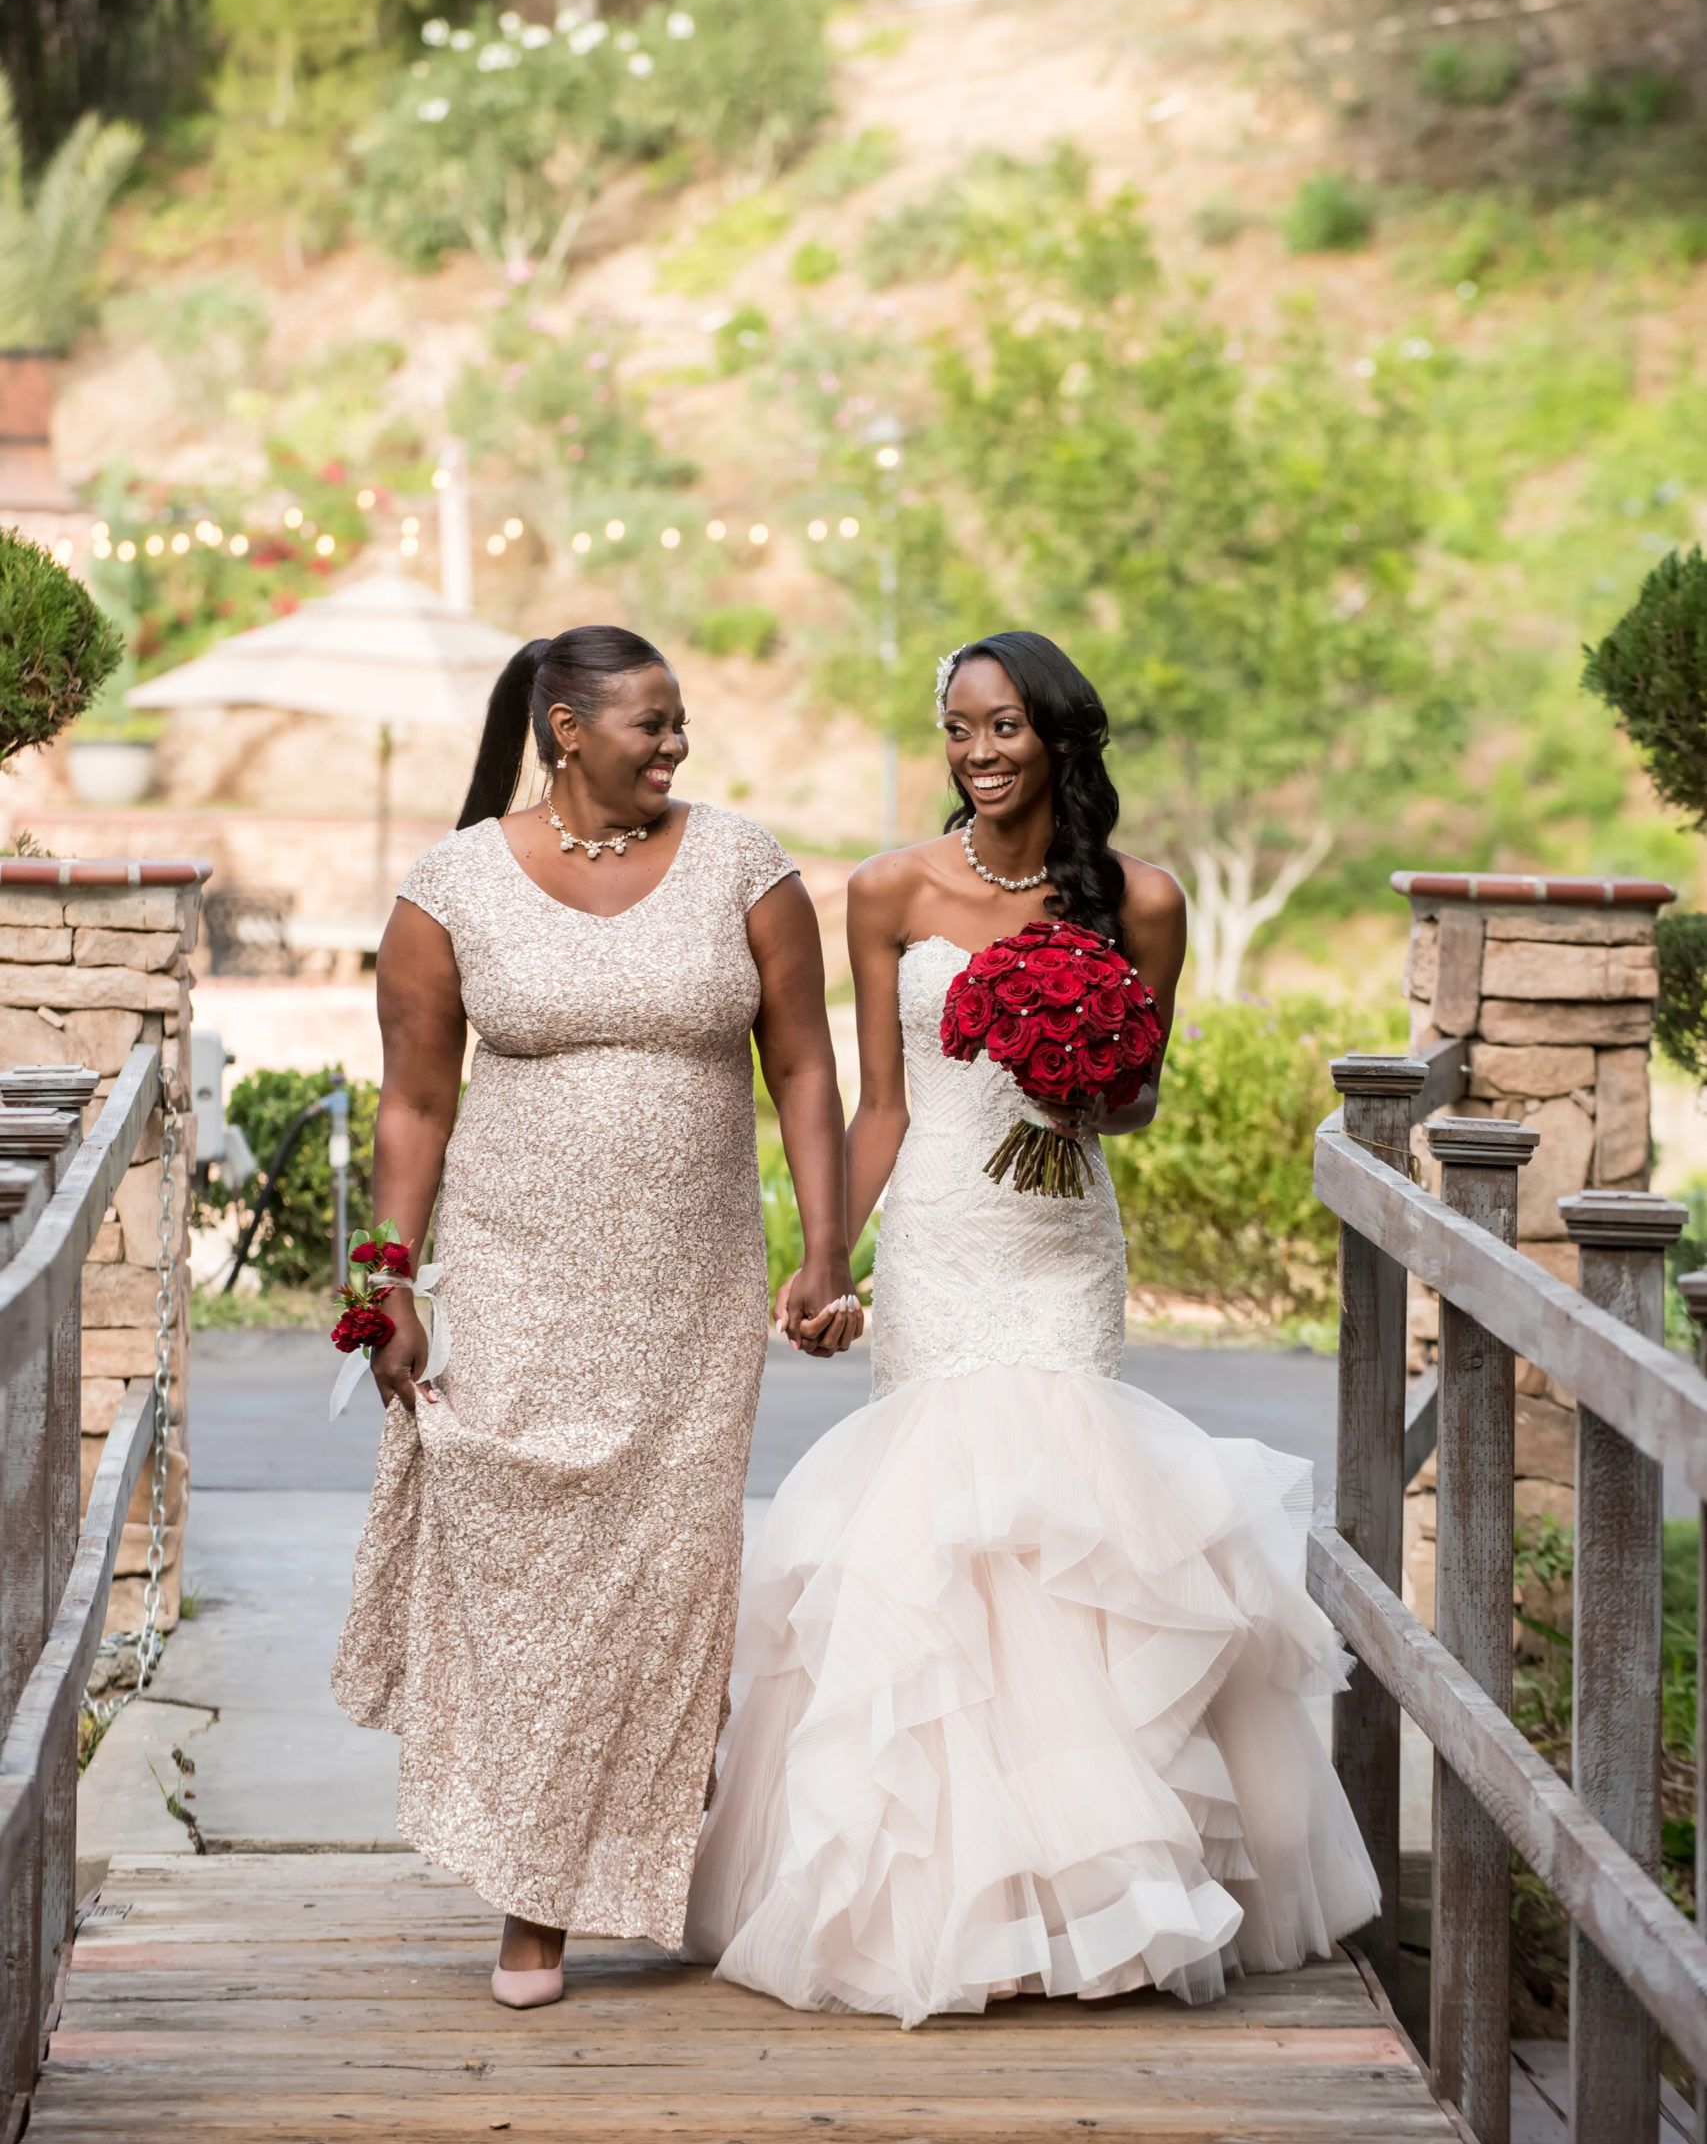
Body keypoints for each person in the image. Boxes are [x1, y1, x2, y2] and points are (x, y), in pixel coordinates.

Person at [686, 630, 1379, 2026]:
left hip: (1064, 1242)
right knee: (940, 1534)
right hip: (942, 1234)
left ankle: (1098, 1902)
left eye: (1002, 727)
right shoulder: (886, 890)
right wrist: (825, 1257)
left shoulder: (1145, 900)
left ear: (1061, 735)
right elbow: (880, 1104)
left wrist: (1083, 1086)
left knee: (1067, 1523)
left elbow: (1143, 1102)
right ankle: (957, 1910)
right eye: (956, 729)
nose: (978, 753)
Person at [332, 625, 861, 2008]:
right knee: (533, 1585)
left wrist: (826, 1249)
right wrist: (384, 1278)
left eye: (681, 723)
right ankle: (536, 1884)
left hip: (689, 1294)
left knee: (670, 1579)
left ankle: (608, 1881)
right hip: (516, 1284)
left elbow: (805, 1066)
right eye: (652, 724)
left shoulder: (748, 867)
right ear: (567, 731)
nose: (677, 746)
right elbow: (415, 1102)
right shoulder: (451, 887)